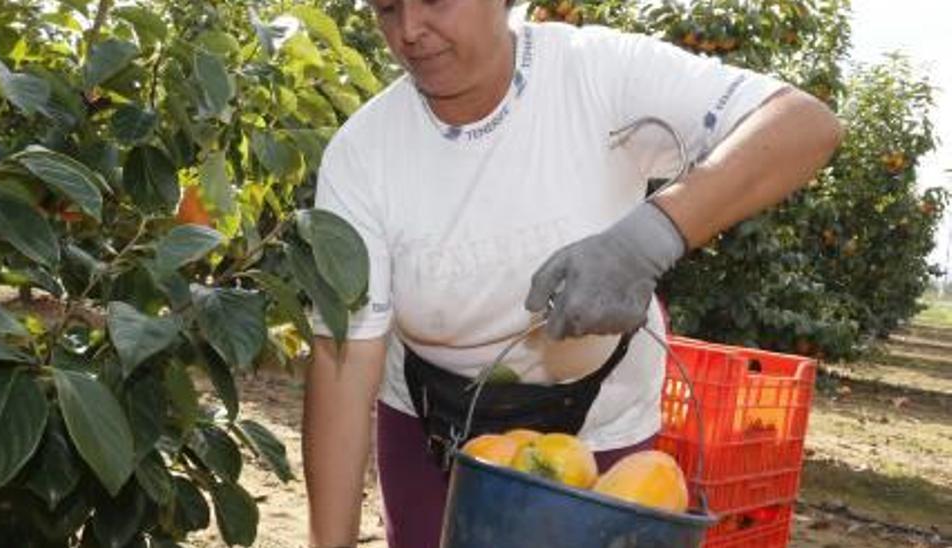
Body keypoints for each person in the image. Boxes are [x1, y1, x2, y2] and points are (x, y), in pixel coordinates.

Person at [300, 0, 843, 547]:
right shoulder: (364, 154)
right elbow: (343, 364)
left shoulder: (598, 73)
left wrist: (651, 236)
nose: (409, 31)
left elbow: (804, 124)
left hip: (599, 429)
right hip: (435, 429)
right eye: (387, 9)